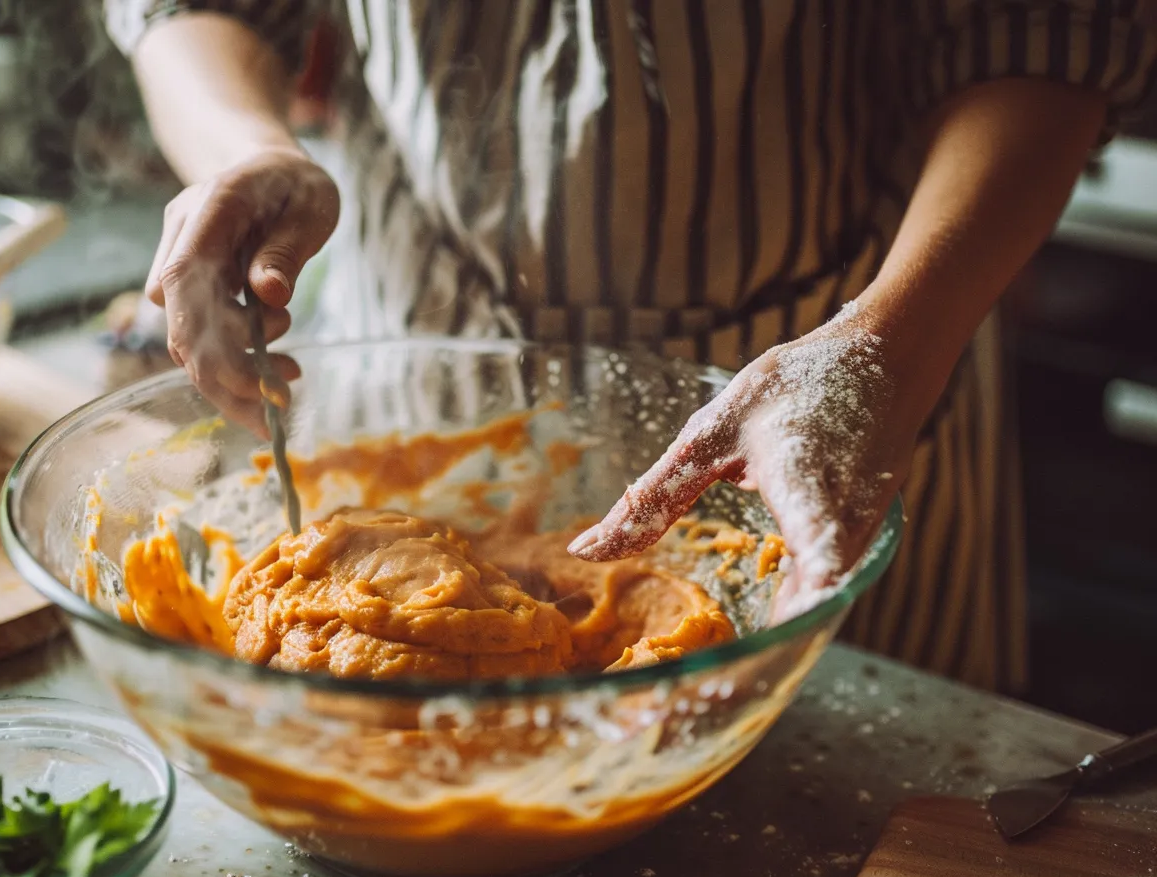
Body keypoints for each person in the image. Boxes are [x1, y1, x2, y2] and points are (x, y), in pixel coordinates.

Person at [104, 1, 1157, 692]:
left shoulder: (866, 355)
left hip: (839, 367)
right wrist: (251, 150)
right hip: (422, 364)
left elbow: (1042, 37)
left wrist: (886, 346)